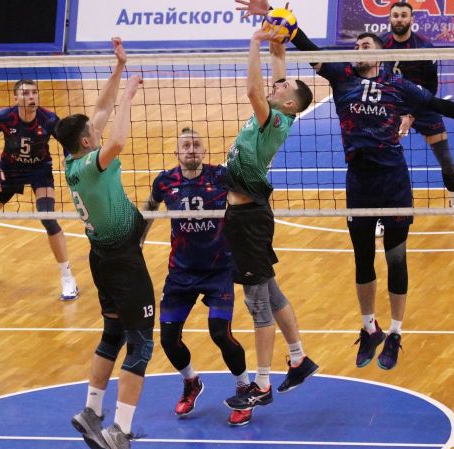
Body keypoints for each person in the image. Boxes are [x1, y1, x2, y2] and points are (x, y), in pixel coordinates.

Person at [236, 0, 454, 370]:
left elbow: (440, 106)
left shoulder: (398, 86)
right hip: (359, 182)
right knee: (363, 258)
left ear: (380, 54)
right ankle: (369, 327)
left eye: (366, 45)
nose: (360, 48)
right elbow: (302, 40)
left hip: (393, 181)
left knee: (396, 257)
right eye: (357, 45)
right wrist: (273, 12)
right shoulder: (341, 76)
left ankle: (396, 332)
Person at [57, 38, 151, 449]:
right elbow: (116, 142)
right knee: (141, 342)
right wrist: (128, 96)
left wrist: (118, 68)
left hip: (102, 257)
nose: (98, 127)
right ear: (85, 142)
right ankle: (119, 431)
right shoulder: (93, 165)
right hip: (123, 261)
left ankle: (91, 410)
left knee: (113, 332)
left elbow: (99, 110)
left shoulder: (71, 160)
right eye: (92, 132)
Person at [221, 28, 319, 414]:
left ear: (289, 103)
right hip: (245, 216)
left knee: (257, 304)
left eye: (283, 88)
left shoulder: (273, 119)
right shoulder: (278, 111)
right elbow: (278, 72)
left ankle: (261, 384)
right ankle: (298, 358)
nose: (277, 86)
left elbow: (253, 90)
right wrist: (277, 32)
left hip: (248, 219)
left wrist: (254, 42)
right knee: (271, 293)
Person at [141, 127, 253, 427]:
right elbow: (149, 207)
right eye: (186, 145)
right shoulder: (165, 182)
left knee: (220, 333)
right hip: (181, 272)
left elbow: (248, 199)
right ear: (176, 152)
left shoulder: (221, 177)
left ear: (204, 150)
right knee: (168, 339)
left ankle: (245, 388)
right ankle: (191, 382)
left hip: (218, 270)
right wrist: (137, 243)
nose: (191, 149)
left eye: (196, 144)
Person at [0, 78, 79, 301]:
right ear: (16, 98)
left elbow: (67, 143)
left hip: (40, 171)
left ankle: (67, 276)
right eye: (26, 93)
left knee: (48, 219)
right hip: (9, 171)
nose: (31, 97)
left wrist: (69, 162)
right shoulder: (5, 116)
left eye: (34, 93)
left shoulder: (49, 119)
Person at [381, 1, 454, 231]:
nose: (399, 19)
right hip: (391, 107)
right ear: (389, 18)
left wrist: (411, 114)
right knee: (381, 162)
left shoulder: (424, 46)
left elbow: (431, 87)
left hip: (423, 107)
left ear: (411, 19)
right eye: (395, 15)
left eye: (403, 15)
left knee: (446, 161)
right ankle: (381, 215)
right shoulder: (380, 45)